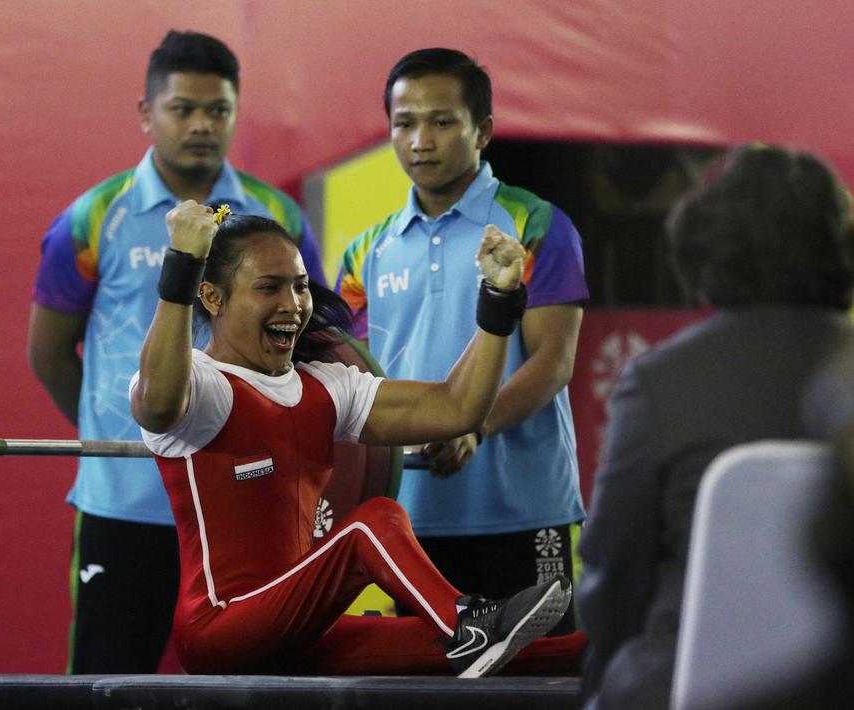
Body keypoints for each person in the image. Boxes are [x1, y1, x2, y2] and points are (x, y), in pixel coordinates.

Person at [129, 199, 570, 675]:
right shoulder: (203, 384)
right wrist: (182, 268)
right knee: (372, 522)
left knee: (551, 653)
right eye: (269, 288)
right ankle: (466, 622)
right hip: (221, 630)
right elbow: (157, 404)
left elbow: (457, 407)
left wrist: (498, 303)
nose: (292, 305)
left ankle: (613, 646)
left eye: (300, 287)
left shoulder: (328, 386)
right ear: (213, 298)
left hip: (300, 629)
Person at [26, 30, 324, 674]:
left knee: (248, 688)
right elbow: (48, 351)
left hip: (247, 503)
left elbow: (316, 337)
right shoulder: (92, 218)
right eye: (182, 108)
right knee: (108, 684)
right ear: (146, 113)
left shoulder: (278, 219)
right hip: (125, 504)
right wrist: (117, 437)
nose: (201, 125)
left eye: (217, 110)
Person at [577, 144, 854, 709]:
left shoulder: (659, 383)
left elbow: (615, 578)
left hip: (682, 685)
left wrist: (600, 685)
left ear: (708, 249)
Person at [336, 48, 587, 637]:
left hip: (525, 512)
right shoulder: (364, 252)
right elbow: (360, 377)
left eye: (442, 121)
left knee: (537, 683)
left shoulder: (536, 225)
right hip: (413, 520)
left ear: (484, 132)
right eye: (405, 123)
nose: (421, 139)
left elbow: (554, 361)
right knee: (427, 689)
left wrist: (475, 424)